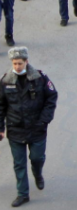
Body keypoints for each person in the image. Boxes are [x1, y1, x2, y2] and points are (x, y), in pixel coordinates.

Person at [0, 46, 57, 208]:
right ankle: (22, 194)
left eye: (20, 63)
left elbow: (51, 98)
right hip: (16, 129)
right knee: (19, 163)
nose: (17, 66)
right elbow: (1, 105)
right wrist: (1, 127)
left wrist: (44, 121)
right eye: (14, 63)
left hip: (37, 128)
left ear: (26, 61)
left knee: (37, 158)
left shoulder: (40, 78)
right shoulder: (5, 81)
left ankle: (37, 174)